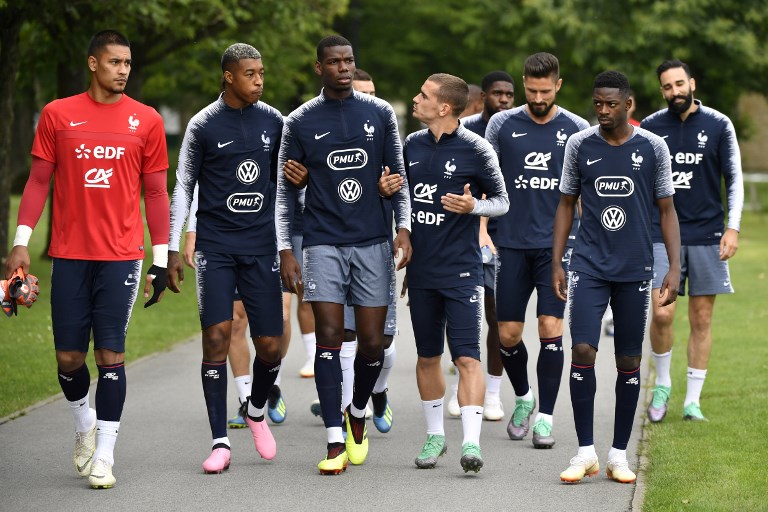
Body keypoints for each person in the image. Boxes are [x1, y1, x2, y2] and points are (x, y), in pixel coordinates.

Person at [4, 30, 169, 489]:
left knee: (110, 355)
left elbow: (155, 193)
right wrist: (20, 242)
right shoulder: (58, 114)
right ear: (93, 63)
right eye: (115, 62)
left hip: (121, 256)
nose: (123, 70)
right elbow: (38, 182)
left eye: (128, 63)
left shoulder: (147, 120)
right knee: (69, 357)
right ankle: (83, 426)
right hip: (69, 255)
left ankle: (106, 454)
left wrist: (161, 257)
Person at [276, 35, 411, 475]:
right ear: (319, 68)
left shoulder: (380, 113)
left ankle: (357, 412)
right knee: (330, 336)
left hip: (373, 241)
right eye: (334, 62)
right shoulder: (298, 121)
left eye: (349, 61)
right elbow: (283, 192)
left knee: (373, 342)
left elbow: (398, 176)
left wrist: (403, 227)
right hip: (321, 243)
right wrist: (285, 250)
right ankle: (335, 439)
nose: (343, 68)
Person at [552, 70, 680, 483]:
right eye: (598, 104)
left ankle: (618, 455)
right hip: (588, 264)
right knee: (584, 350)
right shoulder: (579, 145)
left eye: (611, 104)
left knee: (627, 358)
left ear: (629, 105)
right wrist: (558, 261)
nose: (603, 111)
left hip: (634, 267)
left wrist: (675, 267)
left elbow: (667, 210)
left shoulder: (654, 147)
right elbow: (566, 204)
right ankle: (585, 451)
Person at [167, 43, 284, 474]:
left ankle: (255, 410)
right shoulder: (202, 124)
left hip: (262, 248)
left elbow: (290, 186)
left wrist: (291, 246)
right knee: (216, 336)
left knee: (270, 347)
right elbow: (182, 187)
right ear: (229, 77)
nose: (259, 80)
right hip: (215, 247)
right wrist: (172, 246)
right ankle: (220, 442)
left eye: (262, 73)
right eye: (250, 73)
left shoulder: (275, 122)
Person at [406, 73, 509, 473]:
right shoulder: (410, 146)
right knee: (427, 356)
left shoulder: (477, 149)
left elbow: (502, 202)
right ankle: (434, 438)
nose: (416, 100)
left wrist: (474, 209)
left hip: (463, 270)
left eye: (423, 95)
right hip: (421, 271)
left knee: (467, 357)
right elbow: (400, 200)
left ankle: (471, 444)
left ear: (444, 107)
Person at [485, 52, 589, 448]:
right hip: (509, 244)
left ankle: (545, 417)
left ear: (558, 86)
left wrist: (585, 244)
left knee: (550, 328)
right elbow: (484, 178)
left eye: (545, 90)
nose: (538, 97)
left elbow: (583, 192)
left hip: (555, 250)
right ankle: (524, 398)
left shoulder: (578, 129)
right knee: (508, 334)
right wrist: (482, 229)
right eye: (531, 90)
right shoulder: (501, 124)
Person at [642, 59, 744, 423]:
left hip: (706, 234)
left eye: (679, 84)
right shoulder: (651, 127)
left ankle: (692, 402)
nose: (675, 92)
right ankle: (664, 386)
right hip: (660, 234)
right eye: (667, 87)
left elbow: (733, 179)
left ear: (693, 84)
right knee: (662, 312)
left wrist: (732, 228)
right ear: (662, 91)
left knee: (701, 318)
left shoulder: (719, 124)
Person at [453, 70, 515, 422]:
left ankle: (492, 392)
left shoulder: (513, 128)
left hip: (499, 233)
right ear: (484, 97)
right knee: (459, 313)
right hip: (459, 233)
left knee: (495, 315)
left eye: (509, 94)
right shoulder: (467, 129)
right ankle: (459, 384)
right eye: (497, 94)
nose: (503, 100)